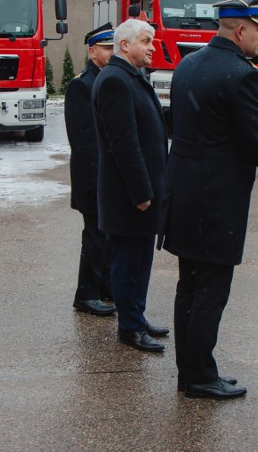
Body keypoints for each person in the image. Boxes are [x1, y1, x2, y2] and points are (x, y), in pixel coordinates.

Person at [159, 0, 258, 400]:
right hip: (215, 202)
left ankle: (188, 372)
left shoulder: (188, 64)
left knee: (189, 286)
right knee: (211, 290)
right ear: (241, 30)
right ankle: (200, 377)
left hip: (184, 196)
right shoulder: (242, 75)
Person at [92, 18, 169, 352]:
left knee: (140, 260)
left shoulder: (131, 76)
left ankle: (136, 315)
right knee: (128, 262)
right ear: (124, 45)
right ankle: (129, 327)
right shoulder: (115, 81)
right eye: (146, 41)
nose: (152, 47)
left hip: (144, 192)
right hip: (130, 196)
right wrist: (140, 193)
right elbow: (123, 144)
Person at [65, 23, 116, 317]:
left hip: (104, 177)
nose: (111, 52)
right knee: (95, 236)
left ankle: (105, 287)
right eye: (106, 48)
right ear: (92, 50)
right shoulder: (82, 85)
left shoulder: (106, 79)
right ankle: (86, 294)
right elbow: (84, 142)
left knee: (107, 236)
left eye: (113, 47)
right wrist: (101, 180)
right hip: (92, 177)